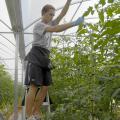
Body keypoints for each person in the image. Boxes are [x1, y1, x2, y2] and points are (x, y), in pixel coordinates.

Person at [24, 0, 84, 119]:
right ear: (43, 13)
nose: (52, 17)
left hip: (45, 56)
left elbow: (62, 14)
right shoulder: (39, 25)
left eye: (53, 15)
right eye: (50, 14)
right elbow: (56, 29)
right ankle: (28, 115)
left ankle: (36, 111)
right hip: (36, 54)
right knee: (34, 86)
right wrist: (74, 23)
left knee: (45, 87)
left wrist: (69, 1)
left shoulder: (50, 23)